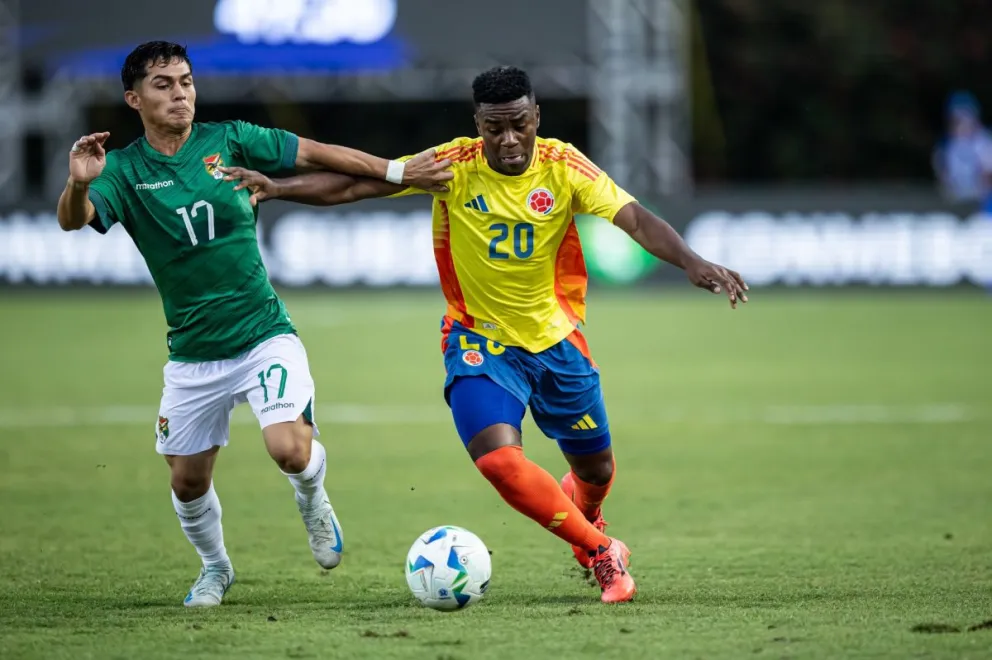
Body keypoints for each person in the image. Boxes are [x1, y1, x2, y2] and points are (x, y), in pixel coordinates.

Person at [220, 65, 748, 604]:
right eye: (494, 128)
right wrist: (279, 187)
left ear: (536, 116)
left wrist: (691, 260)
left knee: (596, 468)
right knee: (498, 459)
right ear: (478, 124)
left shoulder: (564, 166)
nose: (509, 139)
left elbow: (635, 219)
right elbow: (361, 183)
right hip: (479, 340)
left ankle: (586, 516)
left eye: (520, 124)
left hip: (556, 342)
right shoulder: (454, 164)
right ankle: (600, 552)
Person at [55, 41, 453, 608]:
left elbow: (316, 154)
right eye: (164, 84)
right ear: (133, 98)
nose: (180, 94)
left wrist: (396, 169)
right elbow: (75, 221)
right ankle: (215, 568)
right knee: (187, 482)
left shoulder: (231, 138)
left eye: (186, 82)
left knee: (289, 448)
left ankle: (313, 499)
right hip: (192, 355)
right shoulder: (122, 169)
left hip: (264, 335)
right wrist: (78, 182)